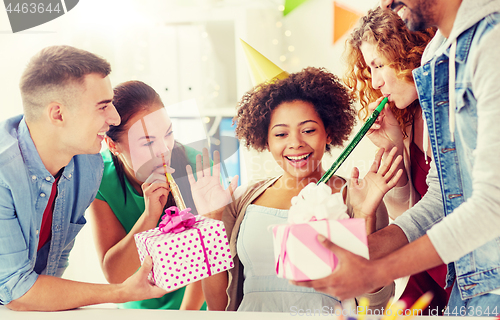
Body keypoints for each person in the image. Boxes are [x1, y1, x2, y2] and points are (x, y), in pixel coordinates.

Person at [293, 0, 500, 314]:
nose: (390, 5)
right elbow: (441, 201)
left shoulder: (487, 44)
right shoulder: (439, 63)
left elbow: (487, 206)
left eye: (378, 65)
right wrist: (361, 251)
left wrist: (374, 267)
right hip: (464, 279)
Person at [188, 67, 403, 312]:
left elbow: (376, 308)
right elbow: (218, 307)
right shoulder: (242, 201)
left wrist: (366, 215)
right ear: (265, 141)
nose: (295, 143)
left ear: (328, 133)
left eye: (308, 130)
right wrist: (212, 220)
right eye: (281, 134)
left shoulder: (359, 196)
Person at [0, 45, 166, 311]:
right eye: (103, 106)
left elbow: (49, 271)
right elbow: (17, 292)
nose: (114, 117)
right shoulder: (3, 173)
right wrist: (122, 292)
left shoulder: (88, 165)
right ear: (58, 114)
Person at [343, 7, 450, 314]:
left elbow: (443, 206)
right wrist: (394, 150)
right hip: (430, 270)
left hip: (463, 266)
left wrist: (366, 251)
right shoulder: (409, 118)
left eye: (378, 65)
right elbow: (409, 211)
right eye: (369, 70)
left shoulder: (448, 110)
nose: (375, 82)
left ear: (409, 52)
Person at [87, 80, 206, 310]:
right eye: (148, 141)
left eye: (168, 133)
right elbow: (115, 275)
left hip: (194, 307)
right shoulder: (100, 177)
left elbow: (209, 257)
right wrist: (150, 217)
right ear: (113, 145)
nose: (164, 149)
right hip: (136, 306)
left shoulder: (199, 165)